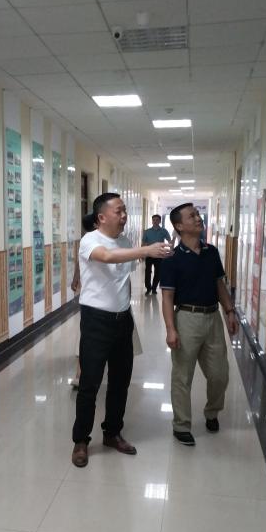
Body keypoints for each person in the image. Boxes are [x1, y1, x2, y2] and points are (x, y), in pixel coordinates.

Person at [72, 193, 169, 467]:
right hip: (95, 321)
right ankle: (81, 440)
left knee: (120, 382)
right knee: (89, 383)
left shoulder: (125, 241)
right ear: (102, 217)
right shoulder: (90, 240)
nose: (124, 215)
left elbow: (122, 271)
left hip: (122, 320)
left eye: (125, 210)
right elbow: (107, 257)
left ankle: (112, 433)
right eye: (119, 211)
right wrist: (145, 251)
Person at [160, 202, 239, 447]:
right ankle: (181, 425)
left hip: (213, 318)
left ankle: (212, 412)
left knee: (219, 374)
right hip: (187, 318)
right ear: (179, 226)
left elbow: (219, 285)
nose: (198, 218)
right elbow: (167, 297)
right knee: (182, 375)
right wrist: (170, 329)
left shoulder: (211, 252)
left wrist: (229, 311)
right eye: (192, 216)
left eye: (197, 214)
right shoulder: (172, 259)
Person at [70, 212, 97, 389]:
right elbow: (80, 262)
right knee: (86, 337)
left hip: (111, 301)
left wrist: (75, 278)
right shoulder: (89, 241)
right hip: (92, 298)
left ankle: (82, 373)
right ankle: (80, 373)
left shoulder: (112, 239)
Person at [142, 214, 172, 295]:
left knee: (158, 272)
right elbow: (144, 243)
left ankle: (154, 288)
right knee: (148, 272)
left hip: (159, 255)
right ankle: (148, 288)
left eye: (157, 220)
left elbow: (169, 241)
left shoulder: (164, 231)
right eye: (154, 220)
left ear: (160, 221)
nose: (155, 221)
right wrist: (142, 254)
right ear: (152, 221)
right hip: (149, 254)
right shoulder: (147, 231)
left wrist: (170, 250)